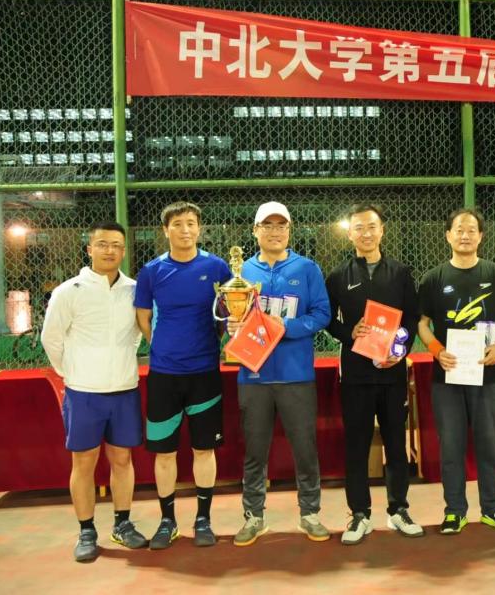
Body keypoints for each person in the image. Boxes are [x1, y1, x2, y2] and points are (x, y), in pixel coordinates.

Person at [42, 221, 148, 562]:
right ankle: (86, 530)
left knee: (122, 459)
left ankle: (123, 524)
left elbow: (137, 333)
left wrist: (121, 361)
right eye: (102, 244)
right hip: (83, 393)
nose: (109, 250)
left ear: (124, 251)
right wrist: (72, 372)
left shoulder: (134, 290)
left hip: (124, 390)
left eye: (116, 245)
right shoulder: (68, 291)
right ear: (89, 249)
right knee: (84, 462)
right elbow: (51, 339)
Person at [228, 201, 332, 546]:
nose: (275, 232)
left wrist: (285, 326)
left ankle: (310, 513)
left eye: (281, 225)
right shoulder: (242, 272)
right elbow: (230, 315)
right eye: (267, 225)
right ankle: (254, 516)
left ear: (289, 230)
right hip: (253, 375)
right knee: (254, 451)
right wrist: (231, 326)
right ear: (255, 231)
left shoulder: (307, 268)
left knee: (305, 449)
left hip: (296, 376)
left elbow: (322, 314)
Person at [135, 201, 231, 549]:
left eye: (191, 223)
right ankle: (167, 522)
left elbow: (229, 313)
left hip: (205, 373)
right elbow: (143, 317)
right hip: (164, 375)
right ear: (166, 230)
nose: (185, 229)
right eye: (177, 224)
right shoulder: (151, 271)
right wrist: (161, 345)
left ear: (199, 228)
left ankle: (203, 520)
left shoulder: (217, 267)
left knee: (204, 449)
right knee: (165, 453)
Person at [325, 203, 423, 545]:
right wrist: (348, 333)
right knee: (357, 445)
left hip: (392, 374)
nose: (366, 233)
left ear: (382, 230)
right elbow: (327, 318)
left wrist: (400, 350)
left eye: (371, 227)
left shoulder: (400, 272)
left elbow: (411, 318)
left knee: (396, 444)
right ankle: (359, 514)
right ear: (350, 233)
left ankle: (399, 510)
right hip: (355, 375)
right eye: (359, 228)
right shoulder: (338, 276)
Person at [417, 208, 495, 535]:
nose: (465, 235)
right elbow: (422, 323)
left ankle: (493, 508)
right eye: (459, 230)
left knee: (490, 445)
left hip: (489, 375)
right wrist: (437, 350)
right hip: (447, 377)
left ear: (481, 236)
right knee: (451, 446)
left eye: (471, 229)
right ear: (448, 235)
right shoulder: (433, 278)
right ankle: (454, 511)